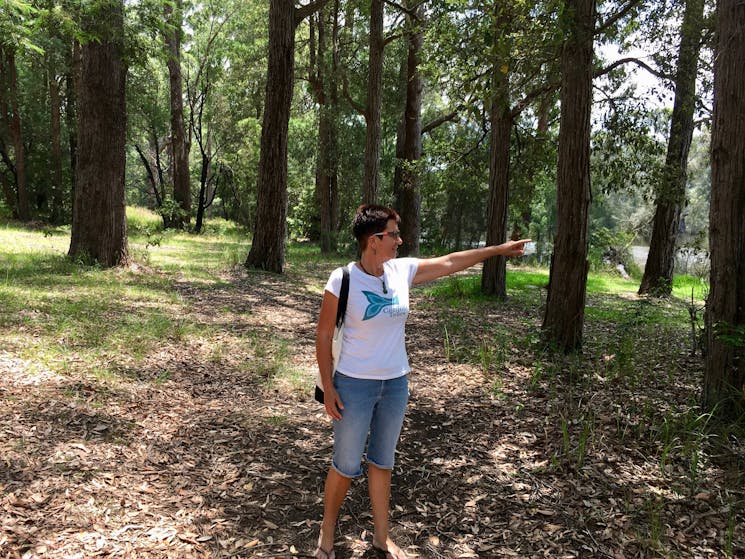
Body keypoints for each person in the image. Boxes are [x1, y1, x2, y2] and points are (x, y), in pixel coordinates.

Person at [314, 204, 530, 559]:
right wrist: (329, 387)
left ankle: (382, 538)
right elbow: (323, 336)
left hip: (395, 384)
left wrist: (498, 250)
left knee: (383, 461)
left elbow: (449, 262)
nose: (401, 240)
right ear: (374, 241)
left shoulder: (401, 271)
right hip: (354, 385)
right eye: (394, 234)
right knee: (346, 465)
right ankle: (328, 530)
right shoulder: (342, 279)